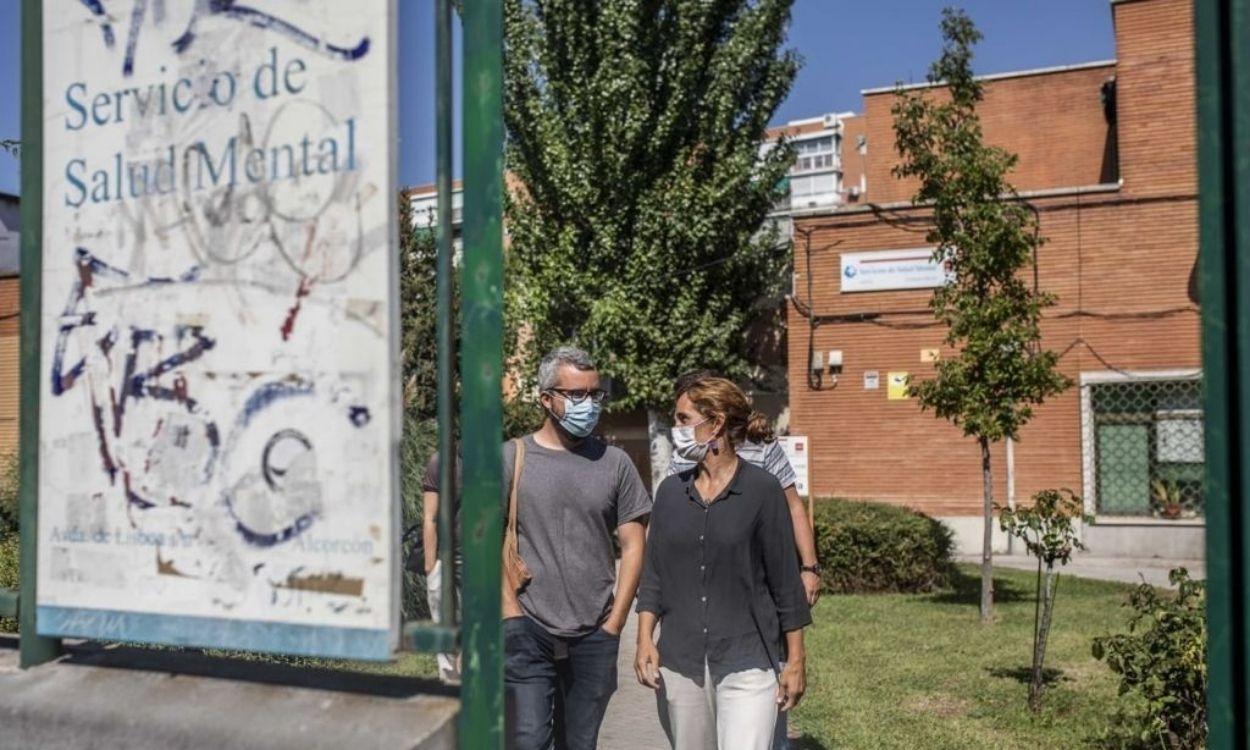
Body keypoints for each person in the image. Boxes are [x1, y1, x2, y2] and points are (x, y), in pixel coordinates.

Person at [635, 377, 811, 750]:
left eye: (684, 419)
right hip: (681, 661)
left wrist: (796, 660)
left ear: (714, 424)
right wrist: (644, 639)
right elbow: (654, 574)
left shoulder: (762, 490)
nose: (677, 429)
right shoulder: (670, 493)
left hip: (748, 661)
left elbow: (785, 582)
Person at [504, 346, 652, 750]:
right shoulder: (512, 458)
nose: (588, 404)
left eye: (594, 394)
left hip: (595, 632)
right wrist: (510, 613)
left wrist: (615, 625)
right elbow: (483, 540)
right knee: (528, 739)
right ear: (546, 398)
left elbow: (634, 545)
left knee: (580, 744)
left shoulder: (615, 463)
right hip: (527, 627)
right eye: (576, 395)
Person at [667, 370, 822, 608]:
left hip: (756, 581)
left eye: (684, 418)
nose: (678, 427)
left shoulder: (762, 448)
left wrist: (810, 567)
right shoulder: (683, 454)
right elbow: (668, 516)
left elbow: (793, 507)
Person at [421, 450, 461, 684]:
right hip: (444, 564)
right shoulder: (443, 461)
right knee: (446, 646)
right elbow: (430, 517)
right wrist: (430, 567)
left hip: (484, 566)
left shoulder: (499, 458)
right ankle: (453, 699)